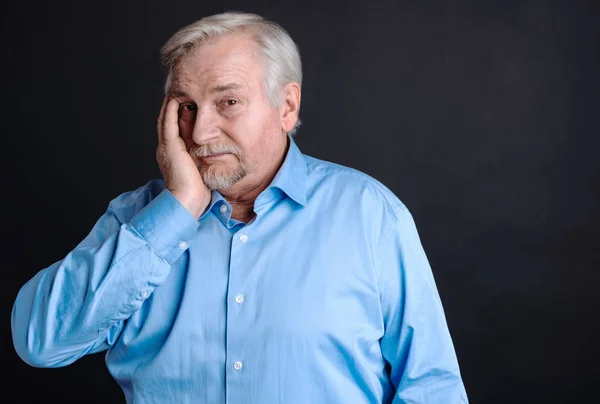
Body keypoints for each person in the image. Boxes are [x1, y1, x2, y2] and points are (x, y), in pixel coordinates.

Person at [11, 11, 468, 404]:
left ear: (286, 106)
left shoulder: (370, 214)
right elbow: (40, 342)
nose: (202, 131)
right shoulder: (137, 219)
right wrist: (180, 207)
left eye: (227, 101)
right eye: (186, 107)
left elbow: (431, 387)